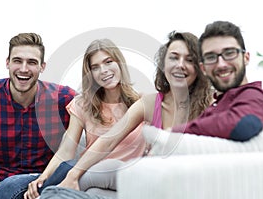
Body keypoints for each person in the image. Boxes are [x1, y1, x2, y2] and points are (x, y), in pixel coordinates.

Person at [39, 31, 213, 199]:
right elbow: (109, 140)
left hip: (178, 183)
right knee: (89, 187)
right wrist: (72, 175)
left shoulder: (211, 104)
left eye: (189, 59)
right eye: (173, 58)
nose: (179, 65)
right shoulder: (150, 103)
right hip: (141, 180)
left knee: (88, 176)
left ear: (200, 67)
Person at [23, 38, 147, 199]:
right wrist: (43, 177)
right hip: (89, 177)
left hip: (124, 179)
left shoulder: (142, 103)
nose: (103, 70)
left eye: (108, 62)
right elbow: (66, 150)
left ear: (120, 63)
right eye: (95, 67)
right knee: (88, 191)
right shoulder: (83, 105)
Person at [0, 33, 76, 199]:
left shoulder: (63, 98)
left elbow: (96, 116)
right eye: (17, 61)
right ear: (7, 63)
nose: (24, 69)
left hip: (43, 177)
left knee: (10, 187)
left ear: (42, 67)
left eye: (32, 62)